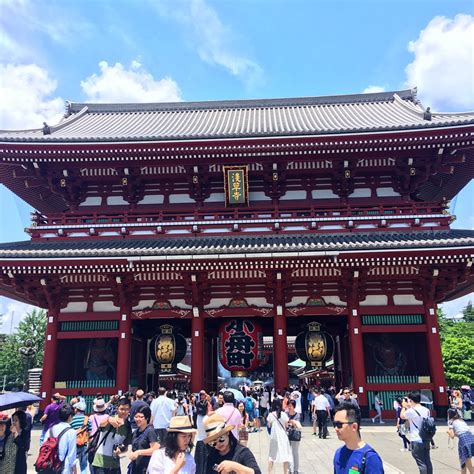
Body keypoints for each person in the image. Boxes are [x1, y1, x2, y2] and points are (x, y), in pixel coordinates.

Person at [333, 404, 384, 473]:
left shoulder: (370, 458)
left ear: (354, 427)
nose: (336, 429)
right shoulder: (338, 453)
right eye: (334, 424)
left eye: (339, 425)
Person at [91, 396, 132, 474]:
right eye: (122, 409)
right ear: (117, 409)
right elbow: (101, 425)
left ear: (129, 410)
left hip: (115, 464)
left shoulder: (128, 426)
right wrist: (108, 419)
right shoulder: (110, 419)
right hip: (100, 463)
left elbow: (126, 447)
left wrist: (120, 450)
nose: (124, 412)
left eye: (126, 409)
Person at [400, 391, 433, 474]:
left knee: (421, 463)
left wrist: (404, 407)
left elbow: (402, 416)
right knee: (427, 461)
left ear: (411, 400)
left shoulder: (411, 411)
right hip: (425, 438)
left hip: (416, 439)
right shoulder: (426, 410)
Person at [127, 405, 159, 473]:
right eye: (136, 417)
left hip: (146, 469)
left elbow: (155, 449)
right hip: (135, 468)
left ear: (147, 418)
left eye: (141, 417)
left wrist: (139, 452)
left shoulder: (150, 431)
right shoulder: (136, 432)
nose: (138, 419)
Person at [47, 404, 78, 474]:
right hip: (64, 468)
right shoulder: (71, 432)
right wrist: (75, 470)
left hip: (49, 466)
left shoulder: (51, 429)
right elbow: (71, 454)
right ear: (70, 416)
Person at [267, 398, 292, 474]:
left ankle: (269, 472)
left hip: (274, 437)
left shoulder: (270, 415)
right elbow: (287, 425)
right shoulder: (284, 414)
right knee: (285, 456)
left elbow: (269, 425)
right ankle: (285, 472)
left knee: (272, 456)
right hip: (283, 436)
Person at [447, 408, 474, 473]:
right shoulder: (461, 420)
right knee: (464, 461)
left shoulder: (450, 421)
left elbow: (452, 436)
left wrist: (448, 432)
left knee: (466, 462)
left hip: (464, 440)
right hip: (471, 438)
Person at [70, 401, 90, 474]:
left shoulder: (72, 419)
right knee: (83, 464)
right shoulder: (87, 419)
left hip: (74, 443)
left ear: (76, 410)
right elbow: (90, 431)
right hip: (84, 443)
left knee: (72, 463)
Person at [286, 400, 302, 474]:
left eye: (290, 406)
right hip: (286, 435)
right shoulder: (285, 414)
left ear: (294, 406)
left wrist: (293, 422)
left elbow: (297, 425)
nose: (289, 407)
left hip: (294, 435)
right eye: (288, 405)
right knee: (287, 453)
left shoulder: (297, 415)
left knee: (295, 453)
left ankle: (296, 469)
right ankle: (289, 469)